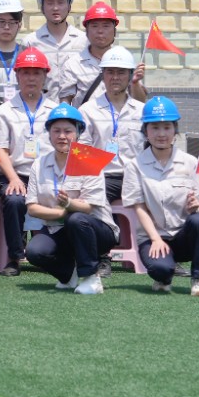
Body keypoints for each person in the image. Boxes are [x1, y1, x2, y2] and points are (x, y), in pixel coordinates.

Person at [122, 97, 199, 296]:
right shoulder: (134, 166)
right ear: (145, 131)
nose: (161, 134)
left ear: (175, 131)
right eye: (155, 127)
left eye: (167, 127)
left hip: (183, 235)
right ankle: (164, 274)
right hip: (153, 237)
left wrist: (195, 206)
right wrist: (155, 239)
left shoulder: (190, 162)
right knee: (161, 270)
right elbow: (139, 207)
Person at [24, 103, 115, 295]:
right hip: (57, 228)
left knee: (77, 219)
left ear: (78, 133)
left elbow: (88, 208)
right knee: (35, 252)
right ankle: (69, 274)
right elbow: (32, 207)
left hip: (95, 230)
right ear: (49, 134)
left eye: (68, 131)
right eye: (56, 131)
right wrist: (60, 212)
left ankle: (91, 278)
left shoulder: (89, 160)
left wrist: (69, 204)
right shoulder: (39, 164)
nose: (62, 136)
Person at [0, 48, 58, 277]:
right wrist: (13, 178)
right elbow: (0, 149)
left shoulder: (54, 110)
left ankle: (52, 252)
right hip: (15, 172)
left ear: (45, 76)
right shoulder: (5, 111)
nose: (31, 78)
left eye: (36, 73)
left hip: (47, 174)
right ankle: (15, 257)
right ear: (17, 75)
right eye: (25, 73)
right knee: (14, 199)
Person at [78, 44, 145, 206]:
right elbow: (82, 152)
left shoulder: (142, 111)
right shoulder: (87, 110)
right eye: (110, 72)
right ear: (103, 75)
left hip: (137, 177)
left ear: (130, 75)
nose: (115, 77)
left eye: (121, 72)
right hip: (101, 178)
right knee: (83, 212)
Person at [57, 1, 149, 108]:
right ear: (86, 31)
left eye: (106, 26)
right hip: (86, 118)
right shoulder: (73, 65)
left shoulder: (125, 61)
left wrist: (135, 83)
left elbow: (140, 102)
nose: (100, 31)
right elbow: (65, 103)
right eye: (95, 26)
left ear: (114, 31)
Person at [27, 0, 88, 82]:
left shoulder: (84, 40)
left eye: (60, 3)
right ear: (42, 8)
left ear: (69, 7)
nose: (55, 8)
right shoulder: (30, 42)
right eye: (50, 3)